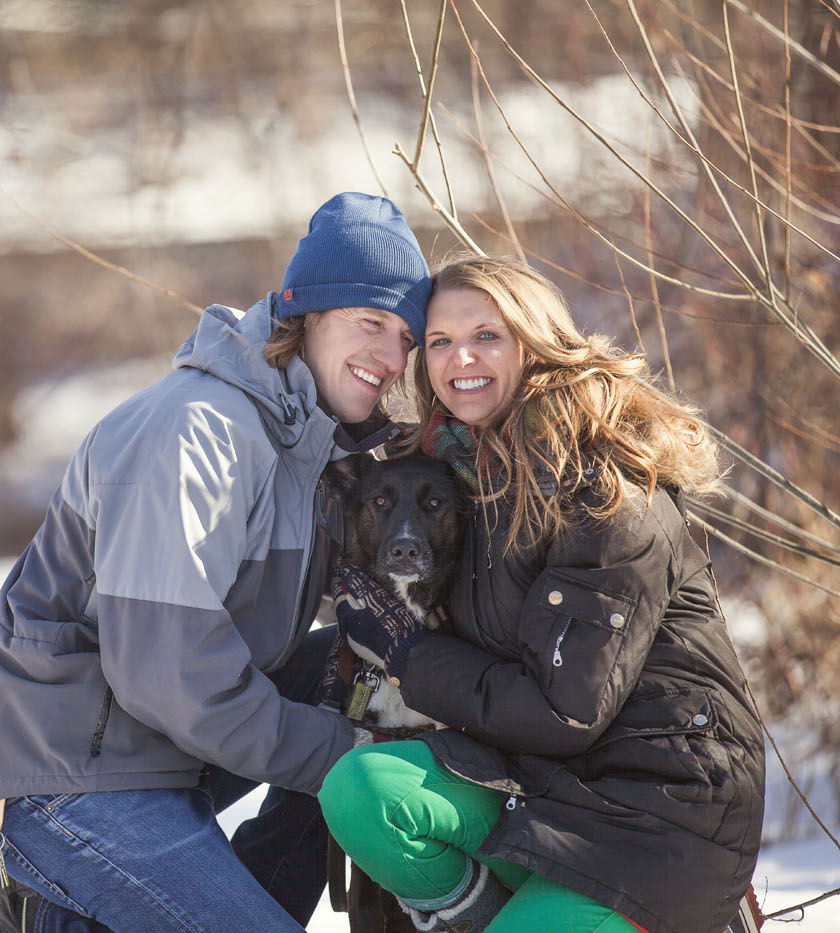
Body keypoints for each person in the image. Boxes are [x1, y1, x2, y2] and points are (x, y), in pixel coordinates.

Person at [0, 192, 433, 932]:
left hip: (162, 746)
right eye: (371, 322)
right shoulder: (197, 433)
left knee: (347, 670)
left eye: (404, 335)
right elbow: (169, 674)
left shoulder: (311, 445)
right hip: (72, 773)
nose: (392, 356)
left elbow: (365, 611)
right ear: (306, 314)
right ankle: (40, 914)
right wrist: (352, 753)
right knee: (344, 742)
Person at [318, 255, 765, 933]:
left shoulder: (607, 485)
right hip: (532, 785)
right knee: (360, 791)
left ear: (536, 342)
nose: (459, 356)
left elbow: (566, 710)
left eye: (486, 335)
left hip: (655, 815)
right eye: (439, 341)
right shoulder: (461, 472)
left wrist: (410, 654)